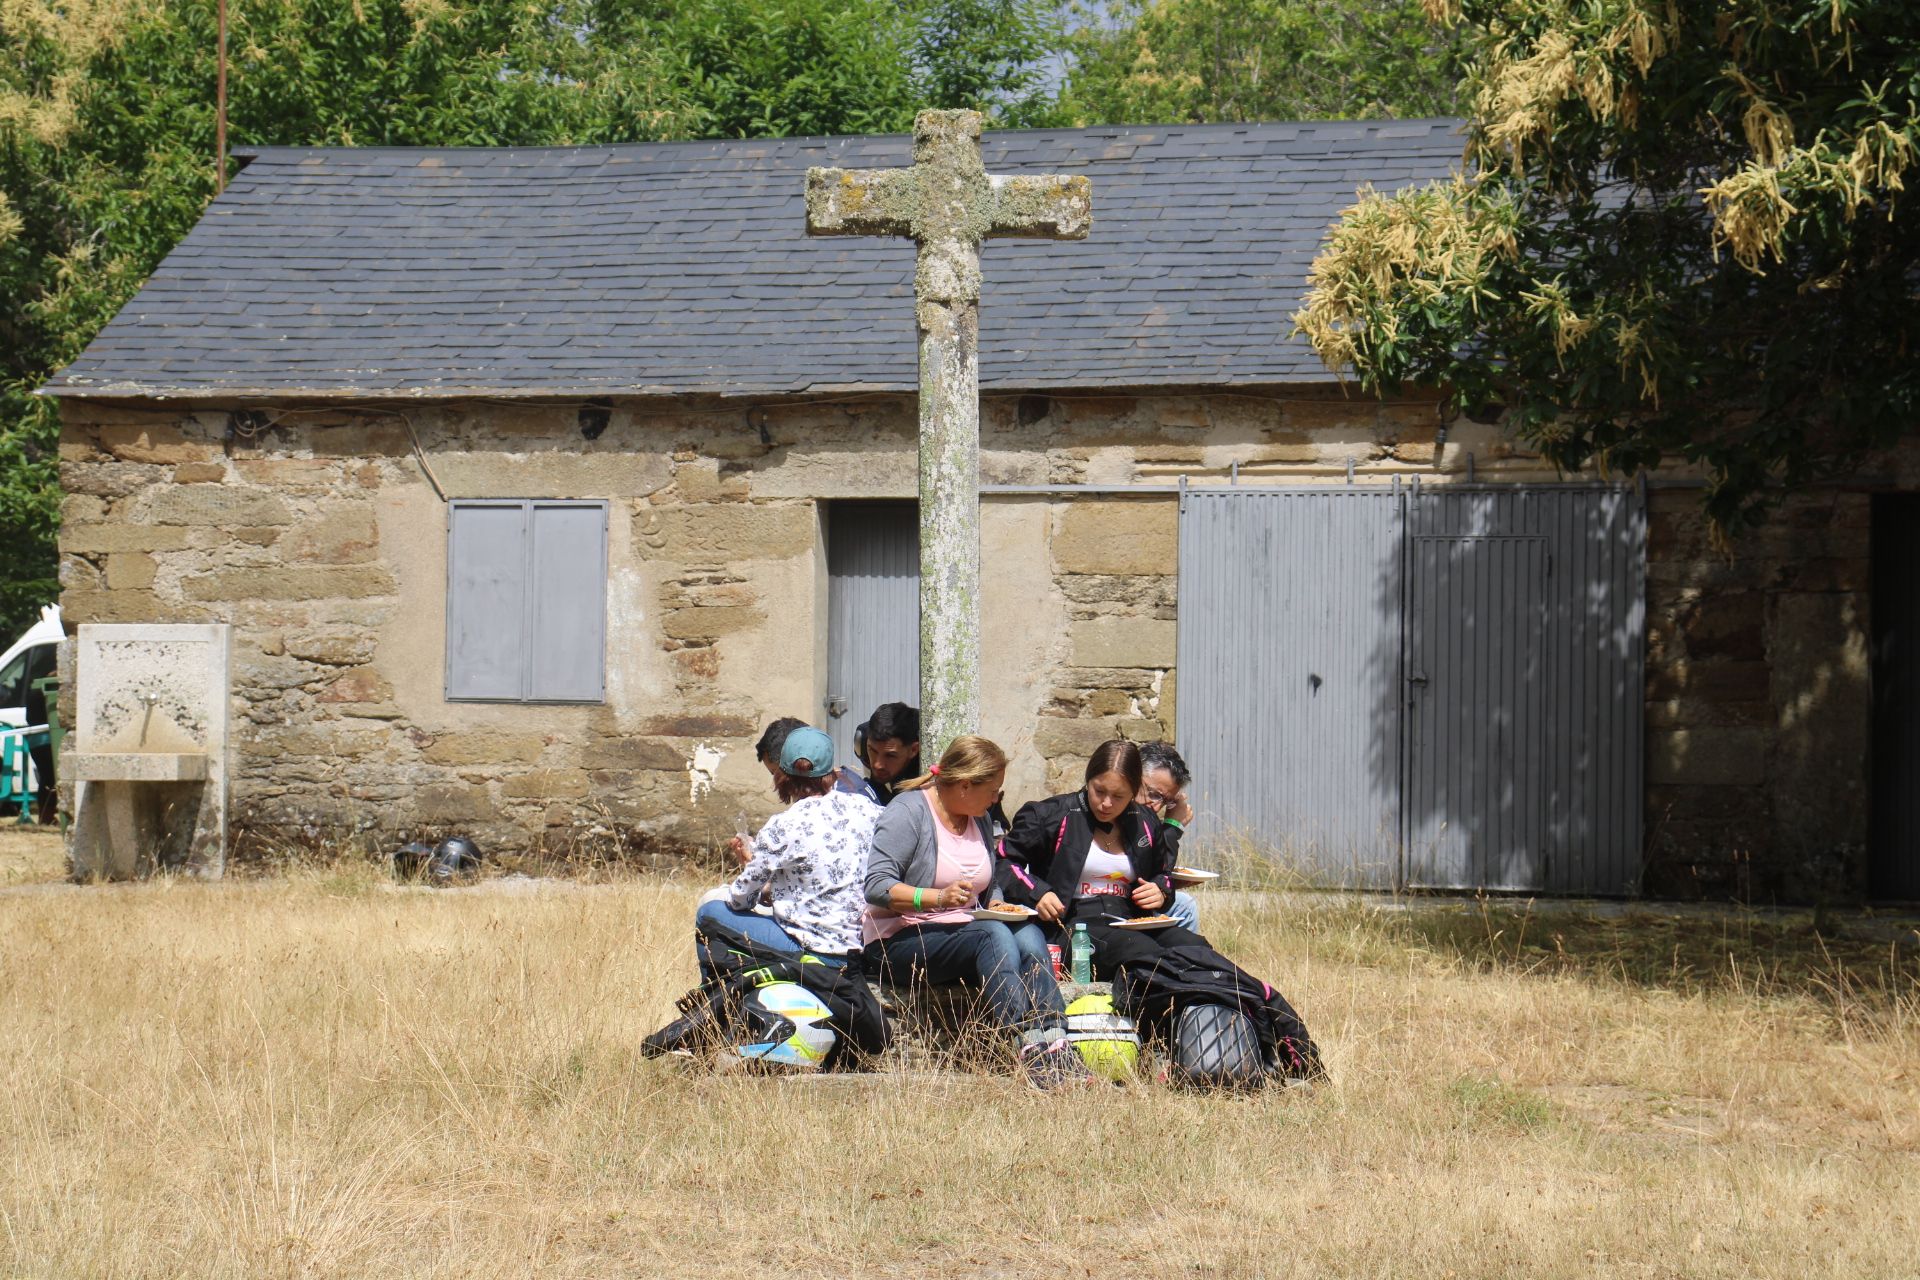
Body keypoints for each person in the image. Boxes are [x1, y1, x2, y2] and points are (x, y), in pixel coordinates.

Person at [999, 739, 1320, 1080]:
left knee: (1198, 950)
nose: (1106, 803)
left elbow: (1162, 874)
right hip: (1076, 924)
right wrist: (1038, 892)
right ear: (1087, 779)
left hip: (1132, 919)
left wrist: (1160, 890)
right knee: (1150, 957)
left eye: (1119, 796)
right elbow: (1004, 861)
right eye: (1099, 791)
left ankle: (1272, 1021)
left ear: (1133, 791)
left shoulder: (1144, 822)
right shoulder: (1050, 815)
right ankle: (1170, 1048)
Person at [862, 734, 1089, 1089]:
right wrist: (937, 898)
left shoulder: (978, 816)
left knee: (1029, 934)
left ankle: (1054, 1039)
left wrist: (995, 901)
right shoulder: (908, 812)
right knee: (992, 934)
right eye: (993, 790)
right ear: (965, 785)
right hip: (899, 941)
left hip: (962, 931)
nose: (997, 799)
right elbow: (877, 886)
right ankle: (1025, 1043)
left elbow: (987, 877)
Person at [645, 726, 877, 1056]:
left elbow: (741, 898)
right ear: (833, 772)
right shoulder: (869, 811)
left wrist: (752, 862)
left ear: (781, 775)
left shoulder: (785, 825)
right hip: (857, 945)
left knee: (711, 910)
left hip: (809, 947)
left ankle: (711, 1014)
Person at [1137, 740, 1200, 932]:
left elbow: (1153, 871)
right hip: (1101, 904)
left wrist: (1166, 885)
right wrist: (1173, 827)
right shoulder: (1111, 809)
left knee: (1185, 905)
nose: (1157, 807)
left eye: (1166, 801)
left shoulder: (1146, 819)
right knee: (1185, 907)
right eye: (1153, 794)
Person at [755, 716, 875, 814]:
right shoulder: (840, 784)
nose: (777, 782)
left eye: (776, 772)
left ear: (798, 762)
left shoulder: (843, 798)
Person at [855, 702, 921, 805]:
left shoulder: (926, 763)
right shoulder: (861, 742)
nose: (878, 765)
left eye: (890, 755)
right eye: (873, 751)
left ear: (913, 750)